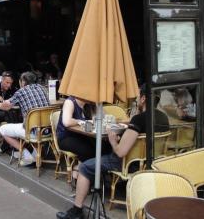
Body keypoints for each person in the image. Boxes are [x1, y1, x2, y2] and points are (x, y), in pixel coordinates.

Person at [56, 90, 170, 219]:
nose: (135, 100)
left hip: (128, 163)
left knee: (84, 167)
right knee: (99, 150)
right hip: (151, 162)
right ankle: (105, 182)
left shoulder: (139, 119)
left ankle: (76, 211)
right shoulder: (163, 117)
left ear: (143, 99)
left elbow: (120, 152)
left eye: (137, 97)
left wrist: (112, 141)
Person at [0, 71, 51, 166]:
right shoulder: (43, 88)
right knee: (32, 123)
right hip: (48, 130)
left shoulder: (21, 92)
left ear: (23, 82)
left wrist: (4, 101)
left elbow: (6, 106)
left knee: (2, 129)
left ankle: (25, 154)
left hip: (32, 132)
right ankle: (36, 155)